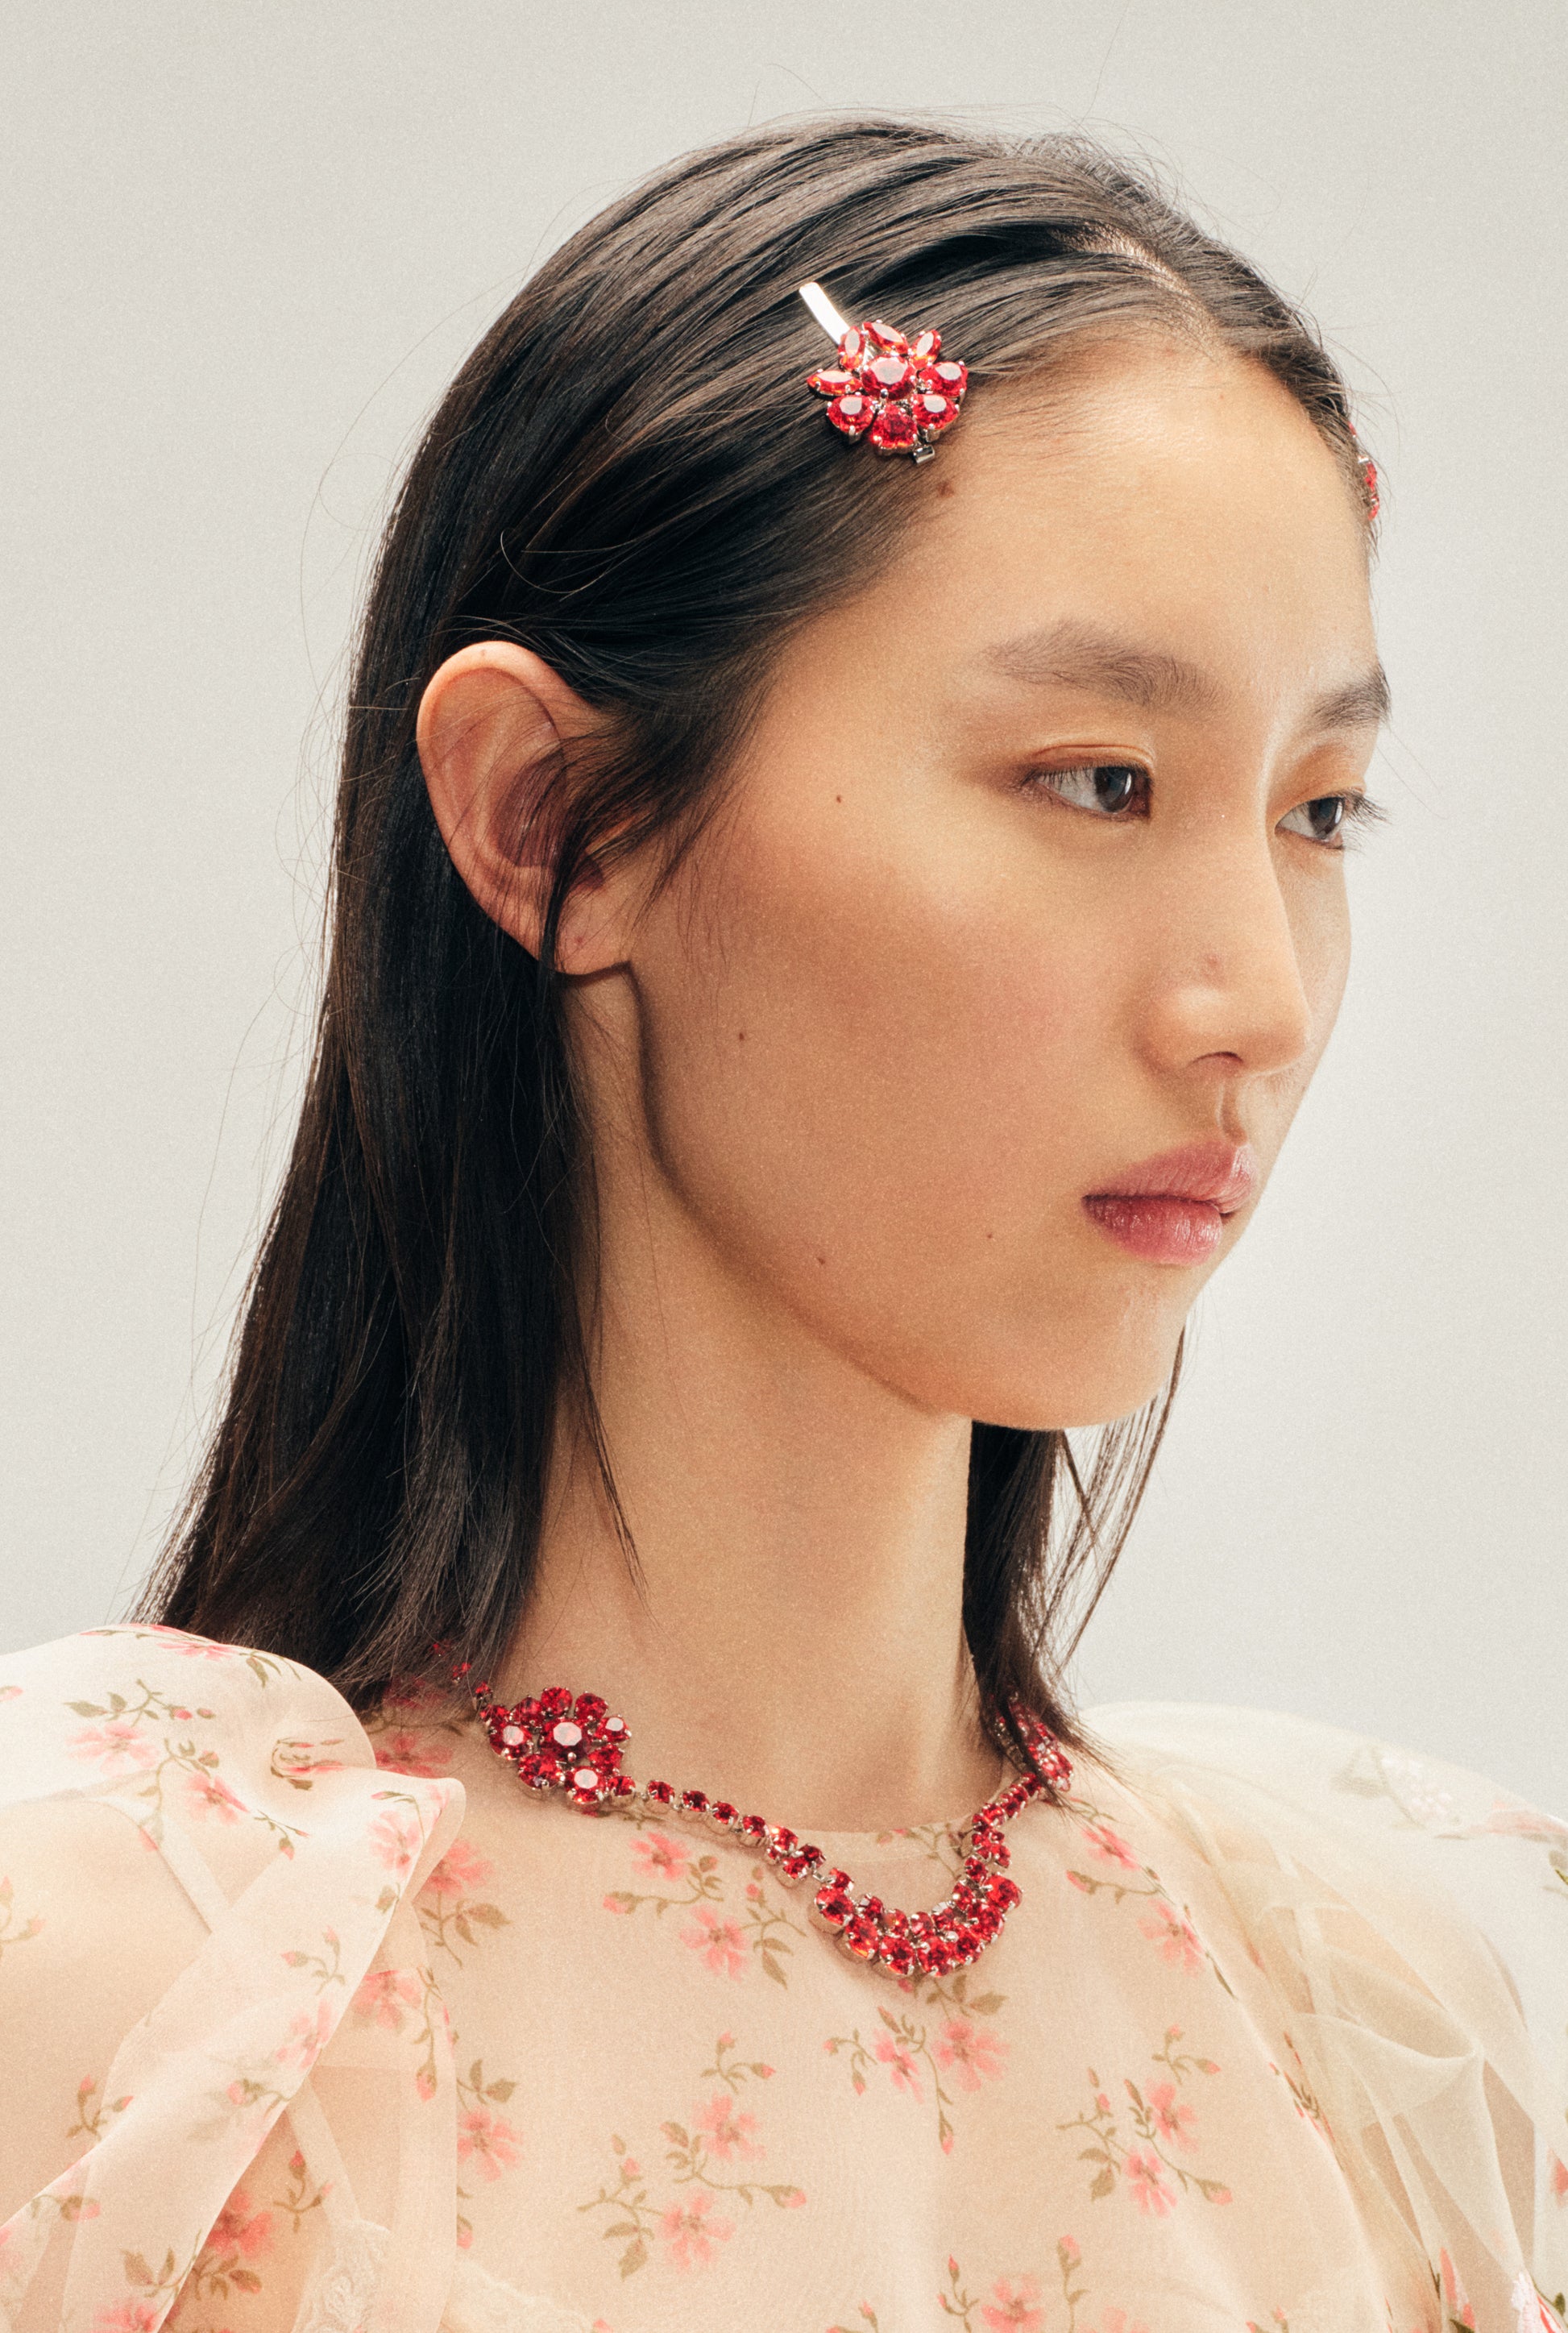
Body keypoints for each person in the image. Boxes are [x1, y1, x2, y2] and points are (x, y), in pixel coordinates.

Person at [1, 114, 1562, 2333]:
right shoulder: (125, 1987)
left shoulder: (1359, 2035)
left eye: (1320, 811)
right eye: (1096, 781)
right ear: (552, 816)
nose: (1258, 1000)